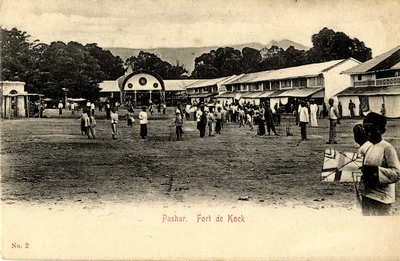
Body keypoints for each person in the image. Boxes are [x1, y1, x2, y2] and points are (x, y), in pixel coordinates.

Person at [357, 112, 400, 215]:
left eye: (373, 131)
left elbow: (397, 173)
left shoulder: (387, 148)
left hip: (382, 199)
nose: (369, 134)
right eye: (366, 131)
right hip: (367, 195)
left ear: (382, 131)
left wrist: (375, 171)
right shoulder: (368, 147)